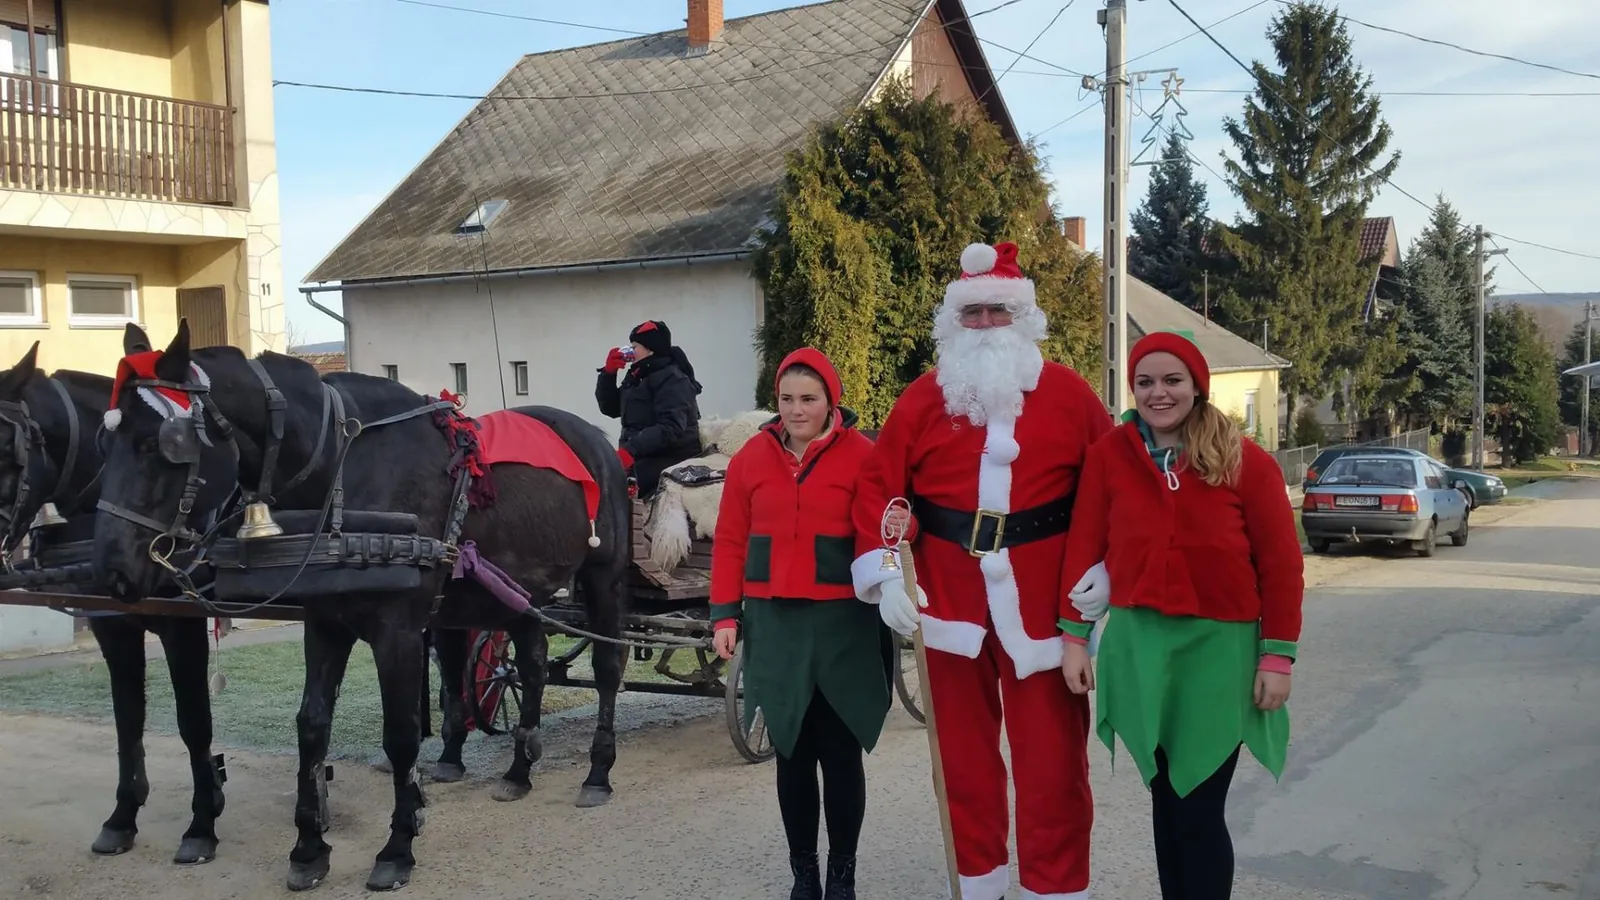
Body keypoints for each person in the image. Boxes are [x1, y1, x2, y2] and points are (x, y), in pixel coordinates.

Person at [850, 241, 1113, 900]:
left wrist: (1106, 568)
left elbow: (1114, 492)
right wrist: (885, 574)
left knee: (1052, 767)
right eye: (975, 314)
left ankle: (1055, 890)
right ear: (953, 323)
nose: (988, 324)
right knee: (962, 766)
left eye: (1000, 311)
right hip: (948, 607)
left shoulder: (1071, 396)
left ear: (1023, 318)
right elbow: (882, 493)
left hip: (1047, 606)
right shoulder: (920, 401)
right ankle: (979, 885)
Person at [1058, 331, 1303, 900]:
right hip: (1140, 649)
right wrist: (1073, 635)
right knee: (1167, 807)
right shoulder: (1109, 457)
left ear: (1197, 386)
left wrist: (1279, 655)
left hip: (1219, 654)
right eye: (1145, 382)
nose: (1158, 393)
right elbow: (1084, 547)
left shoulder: (1245, 461)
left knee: (1196, 807)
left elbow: (1282, 567)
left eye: (1172, 380)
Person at [709, 347, 892, 900]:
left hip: (844, 623)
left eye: (808, 399)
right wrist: (724, 614)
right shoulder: (750, 460)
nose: (795, 409)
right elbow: (730, 538)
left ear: (830, 400)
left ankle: (842, 874)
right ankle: (804, 876)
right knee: (791, 750)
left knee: (839, 755)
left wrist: (896, 555)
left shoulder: (863, 456)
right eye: (786, 399)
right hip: (775, 623)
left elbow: (885, 528)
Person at [595, 319, 704, 498]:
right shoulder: (638, 376)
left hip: (670, 456)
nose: (629, 352)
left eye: (635, 346)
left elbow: (671, 427)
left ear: (651, 349)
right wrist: (608, 374)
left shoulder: (673, 379)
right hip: (641, 455)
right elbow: (611, 408)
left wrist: (631, 450)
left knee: (617, 491)